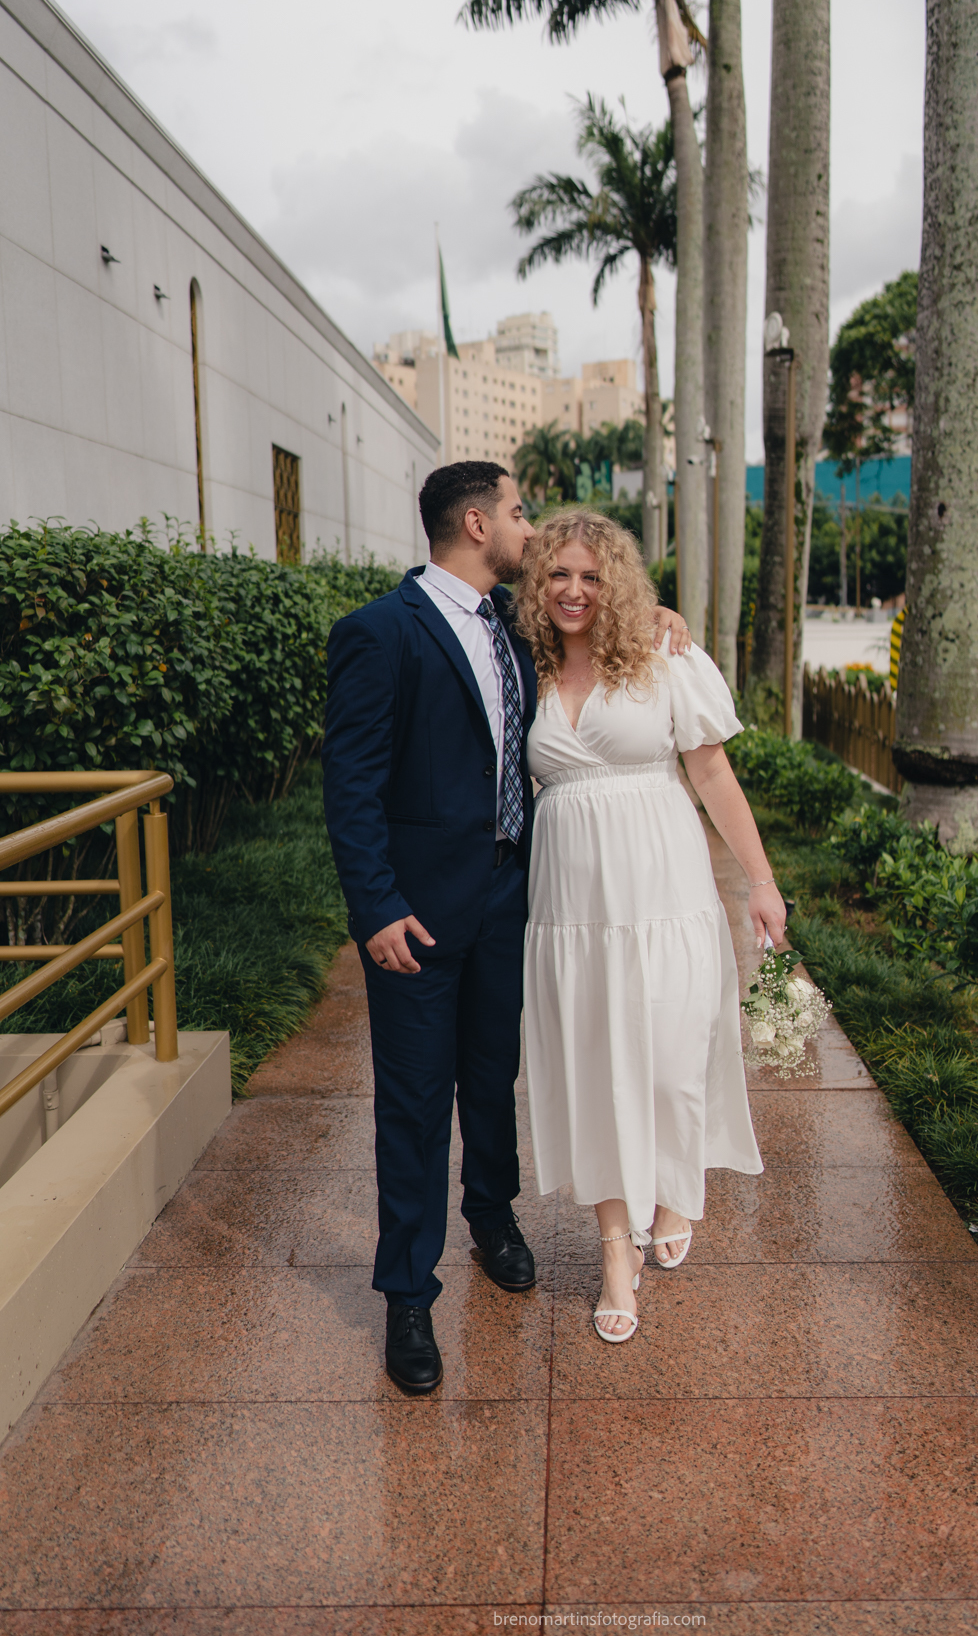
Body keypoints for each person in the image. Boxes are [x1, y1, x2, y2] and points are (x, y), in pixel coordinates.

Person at [321, 463, 690, 1392]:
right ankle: (409, 1296)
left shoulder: (516, 632)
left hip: (512, 899)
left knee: (493, 1079)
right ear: (478, 523)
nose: (532, 529)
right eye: (522, 513)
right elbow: (352, 787)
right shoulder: (379, 634)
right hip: (414, 913)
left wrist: (661, 620)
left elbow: (591, 650)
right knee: (412, 1105)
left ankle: (493, 1219)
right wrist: (375, 907)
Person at [515, 509, 787, 1343]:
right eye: (558, 574)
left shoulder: (665, 658)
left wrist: (762, 881)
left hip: (665, 894)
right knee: (595, 1070)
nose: (572, 590)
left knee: (672, 1063)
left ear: (619, 584)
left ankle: (673, 1189)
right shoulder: (521, 665)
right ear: (539, 584)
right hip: (572, 912)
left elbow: (711, 771)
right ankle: (612, 1251)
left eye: (591, 576)